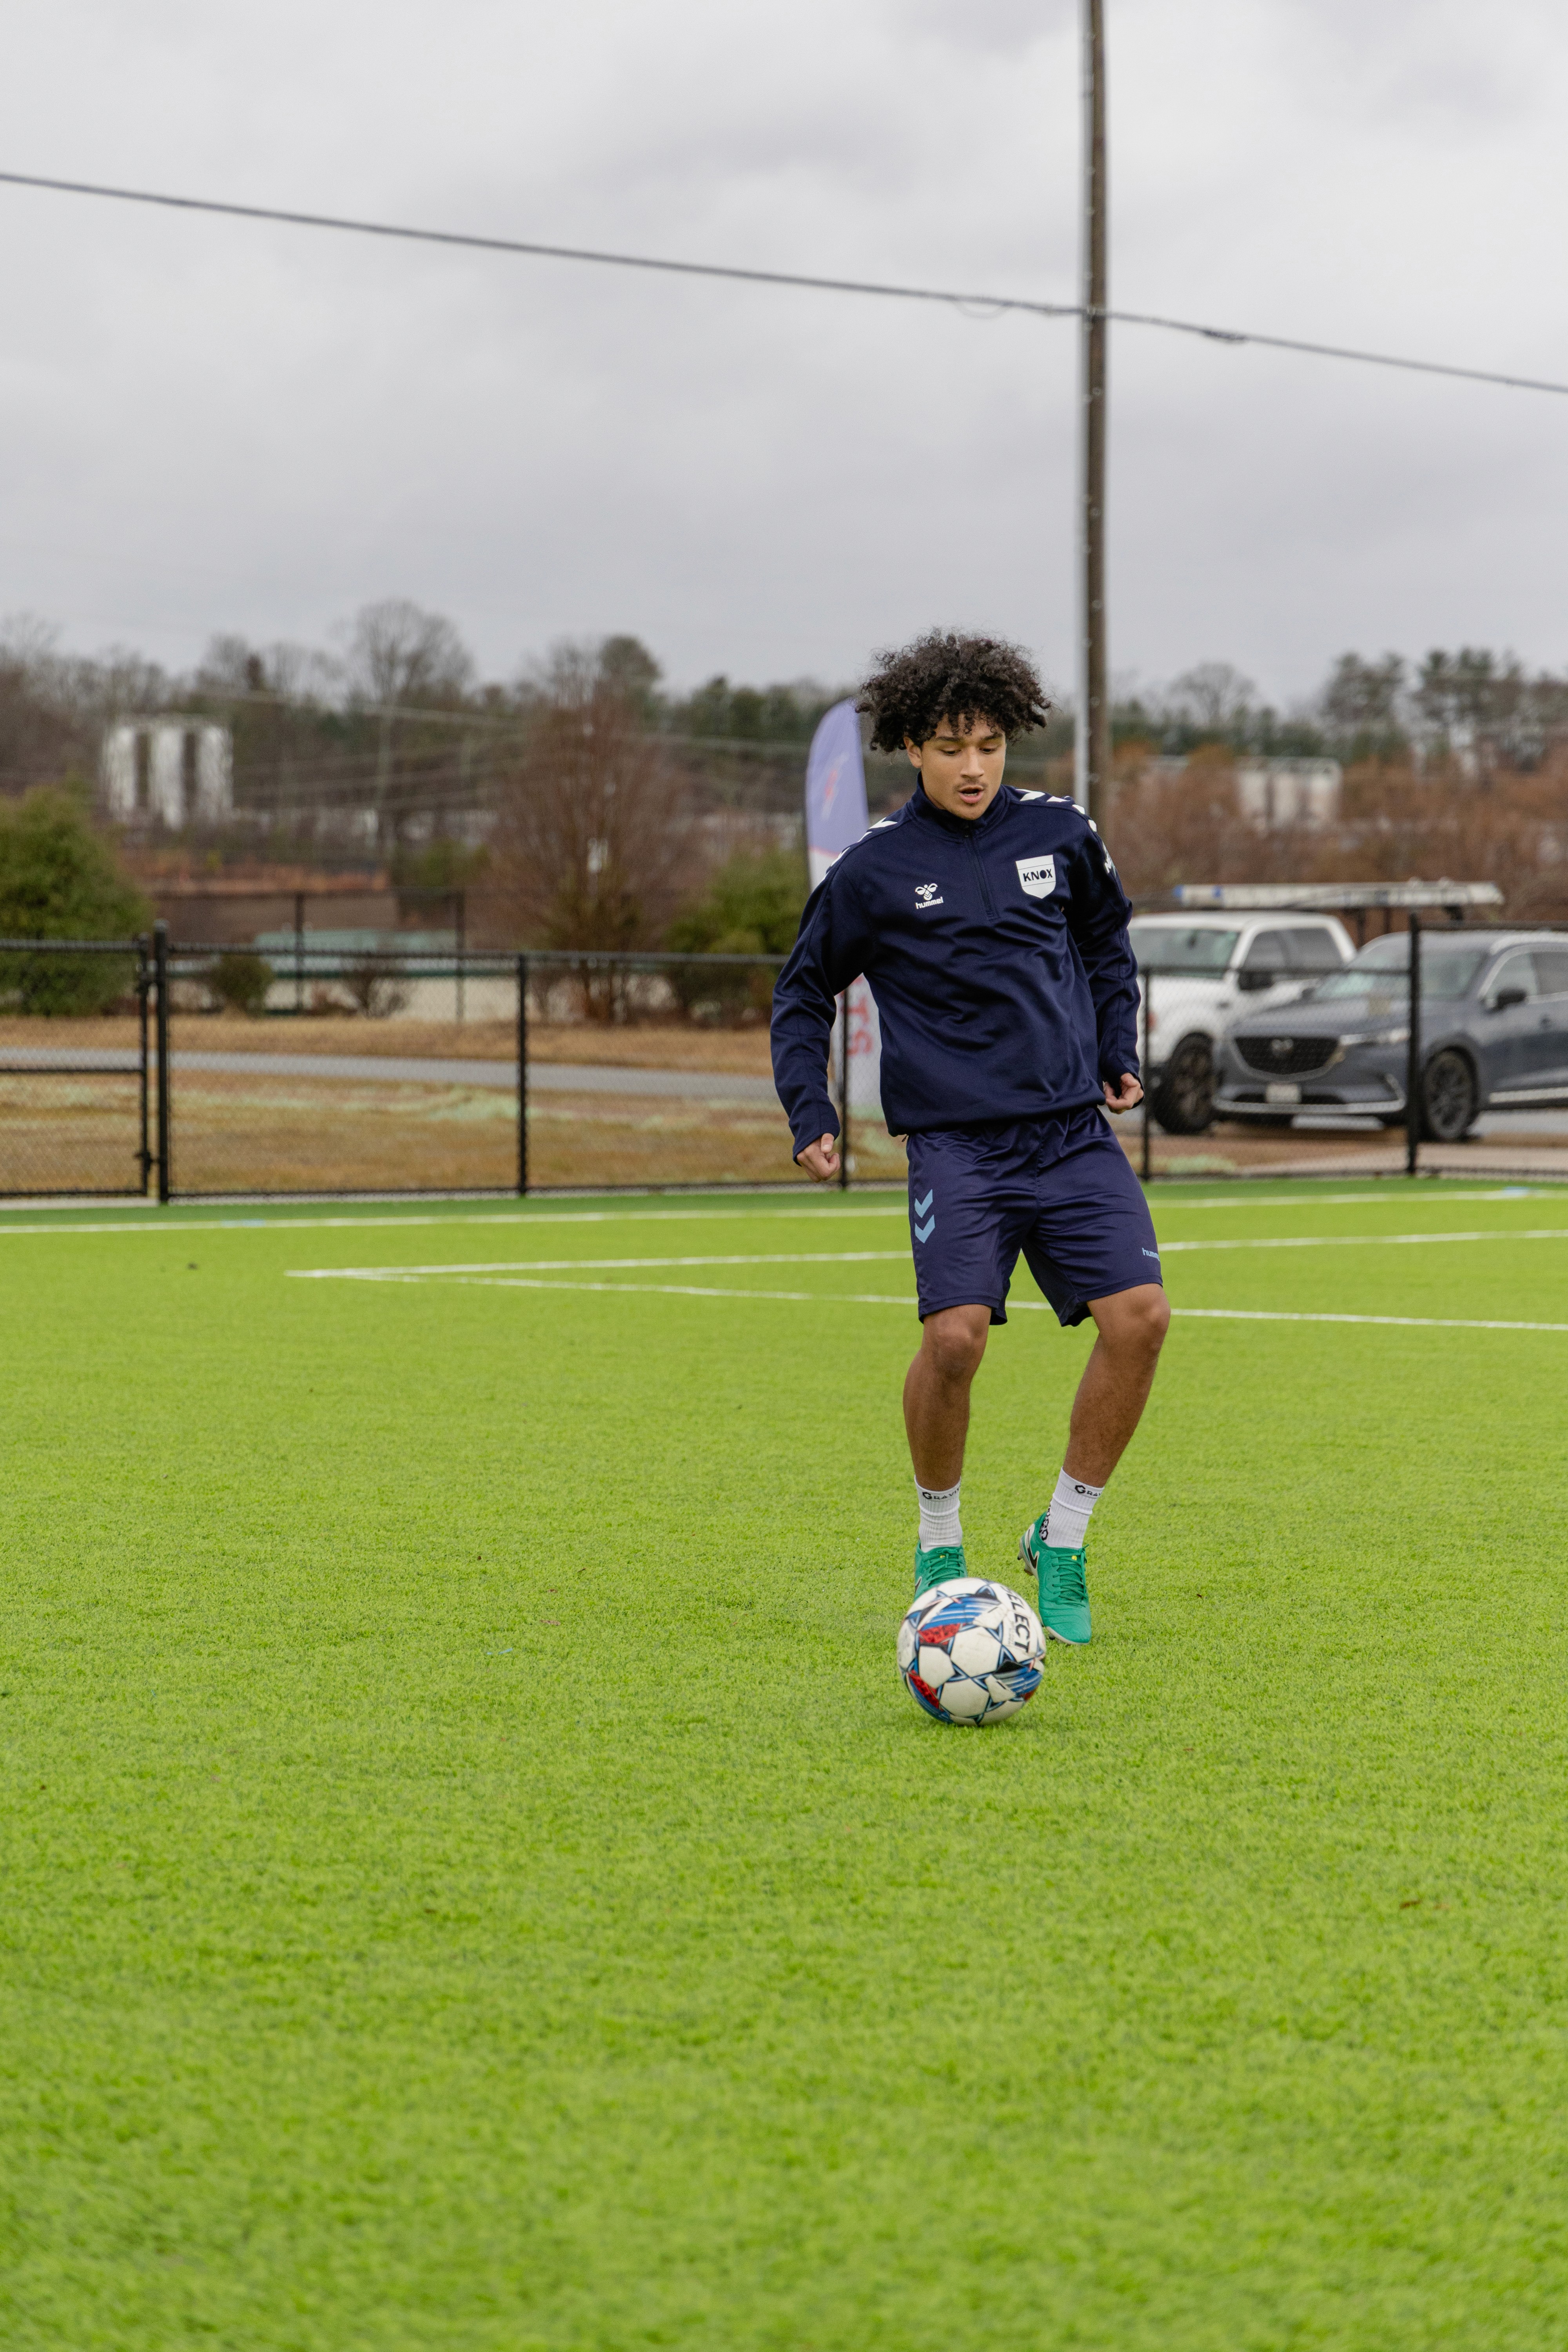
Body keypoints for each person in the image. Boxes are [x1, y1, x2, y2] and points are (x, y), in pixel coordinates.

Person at [771, 630, 1169, 1644]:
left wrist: (1116, 1046)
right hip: (956, 1147)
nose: (975, 766)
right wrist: (810, 1113)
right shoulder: (875, 870)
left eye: (990, 744)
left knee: (1144, 1319)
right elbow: (803, 991)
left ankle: (1064, 1537)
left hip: (1073, 1134)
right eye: (952, 746)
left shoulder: (1062, 835)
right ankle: (939, 1538)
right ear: (912, 746)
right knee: (953, 1342)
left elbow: (1108, 945)